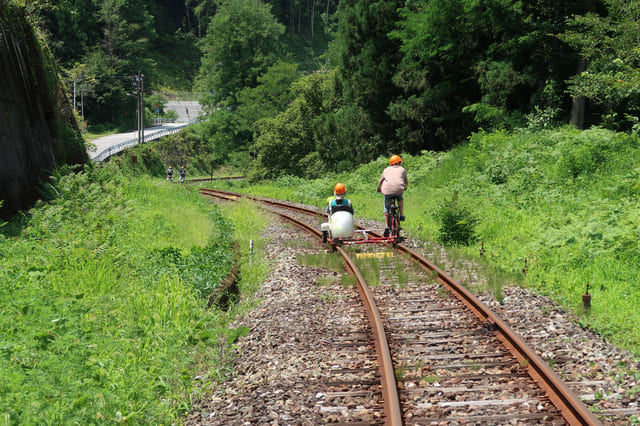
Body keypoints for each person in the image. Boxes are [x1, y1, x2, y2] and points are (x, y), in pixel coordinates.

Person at [377, 155, 408, 236]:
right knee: (400, 198)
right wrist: (405, 187)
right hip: (399, 190)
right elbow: (406, 181)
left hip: (387, 191)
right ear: (398, 162)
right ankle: (401, 215)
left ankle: (386, 226)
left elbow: (380, 181)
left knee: (386, 207)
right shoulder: (402, 169)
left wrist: (378, 188)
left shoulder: (386, 170)